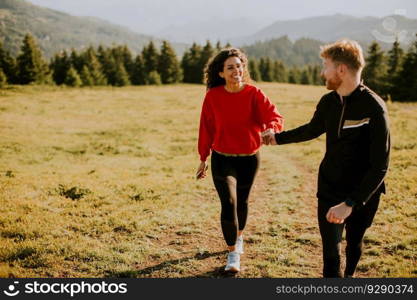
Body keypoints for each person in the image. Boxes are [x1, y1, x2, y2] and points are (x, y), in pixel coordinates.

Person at [263, 39, 390, 277]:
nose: (323, 72)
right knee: (331, 255)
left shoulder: (374, 108)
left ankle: (350, 275)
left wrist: (351, 203)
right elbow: (311, 130)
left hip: (364, 193)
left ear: (341, 69)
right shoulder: (328, 102)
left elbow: (380, 167)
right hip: (330, 187)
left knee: (354, 242)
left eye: (326, 66)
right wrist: (276, 138)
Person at [196, 48, 284, 273]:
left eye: (239, 66)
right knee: (229, 203)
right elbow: (206, 128)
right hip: (222, 159)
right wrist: (203, 157)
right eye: (230, 67)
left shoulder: (254, 93)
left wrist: (271, 129)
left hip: (249, 159)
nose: (236, 70)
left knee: (242, 202)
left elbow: (273, 116)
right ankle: (232, 252)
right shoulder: (213, 97)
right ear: (221, 73)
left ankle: (240, 236)